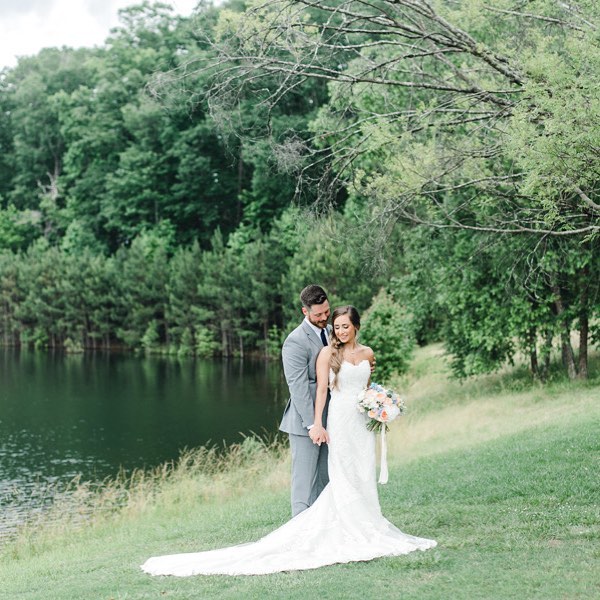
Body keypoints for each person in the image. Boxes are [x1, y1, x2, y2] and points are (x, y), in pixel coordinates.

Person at [141, 305, 437, 577]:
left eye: (345, 326)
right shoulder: (327, 354)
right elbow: (320, 390)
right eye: (337, 327)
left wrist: (379, 404)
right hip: (339, 420)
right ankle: (335, 527)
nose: (340, 331)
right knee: (342, 472)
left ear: (356, 326)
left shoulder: (369, 353)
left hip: (361, 422)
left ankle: (369, 520)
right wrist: (317, 423)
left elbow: (369, 385)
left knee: (362, 469)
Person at [279, 284, 331, 516]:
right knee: (303, 482)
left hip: (332, 417)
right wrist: (313, 424)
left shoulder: (333, 331)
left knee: (325, 478)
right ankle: (298, 535)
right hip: (305, 424)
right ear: (305, 312)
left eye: (326, 312)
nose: (323, 318)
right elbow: (298, 387)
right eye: (318, 314)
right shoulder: (295, 341)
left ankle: (322, 529)